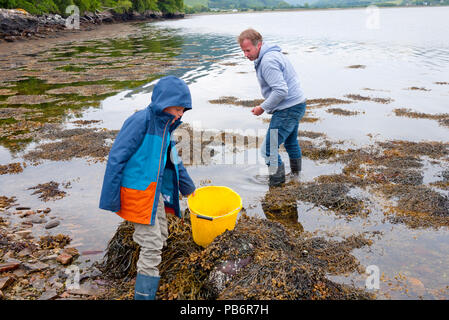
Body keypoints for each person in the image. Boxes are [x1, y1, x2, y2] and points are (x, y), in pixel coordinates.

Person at [99, 76, 196, 300]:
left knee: (161, 235)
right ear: (165, 102)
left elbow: (174, 161)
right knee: (152, 243)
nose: (181, 114)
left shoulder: (166, 128)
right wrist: (112, 198)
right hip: (136, 194)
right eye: (178, 108)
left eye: (184, 110)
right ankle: (143, 296)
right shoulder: (140, 120)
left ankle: (144, 268)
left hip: (153, 194)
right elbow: (116, 158)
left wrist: (189, 189)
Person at [238, 28, 306, 187]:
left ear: (259, 45)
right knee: (290, 143)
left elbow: (281, 91)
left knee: (268, 150)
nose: (245, 54)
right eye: (243, 51)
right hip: (297, 104)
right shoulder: (271, 54)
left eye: (248, 50)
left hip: (288, 109)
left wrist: (262, 107)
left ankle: (277, 186)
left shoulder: (268, 61)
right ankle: (297, 178)